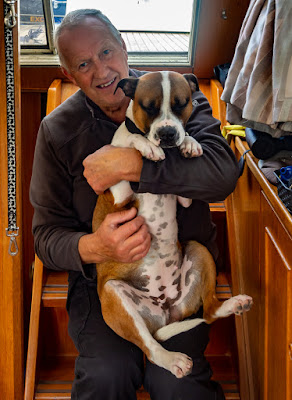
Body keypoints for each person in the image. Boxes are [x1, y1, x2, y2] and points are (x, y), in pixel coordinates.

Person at [30, 8, 240, 400]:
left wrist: (134, 165)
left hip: (182, 274)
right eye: (83, 64)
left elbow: (222, 173)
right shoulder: (57, 131)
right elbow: (45, 236)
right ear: (70, 76)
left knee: (177, 384)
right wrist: (95, 247)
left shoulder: (176, 94)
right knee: (106, 376)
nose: (102, 69)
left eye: (107, 52)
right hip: (108, 283)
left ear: (124, 47)